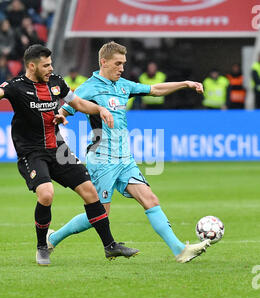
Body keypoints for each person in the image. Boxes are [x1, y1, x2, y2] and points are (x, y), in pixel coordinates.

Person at [0, 44, 138, 266]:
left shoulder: (56, 83)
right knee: (46, 195)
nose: (51, 68)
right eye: (46, 65)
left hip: (58, 149)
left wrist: (100, 109)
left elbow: (78, 103)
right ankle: (43, 246)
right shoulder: (16, 86)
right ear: (31, 66)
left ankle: (110, 246)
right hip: (32, 152)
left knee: (91, 192)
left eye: (51, 63)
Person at [50, 41, 211, 263]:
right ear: (103, 62)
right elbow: (67, 108)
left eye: (124, 64)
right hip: (102, 159)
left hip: (125, 159)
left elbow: (154, 89)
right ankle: (53, 238)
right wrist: (61, 116)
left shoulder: (124, 85)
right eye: (118, 63)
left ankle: (179, 250)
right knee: (99, 214)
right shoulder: (89, 87)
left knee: (150, 199)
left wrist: (185, 83)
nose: (122, 68)